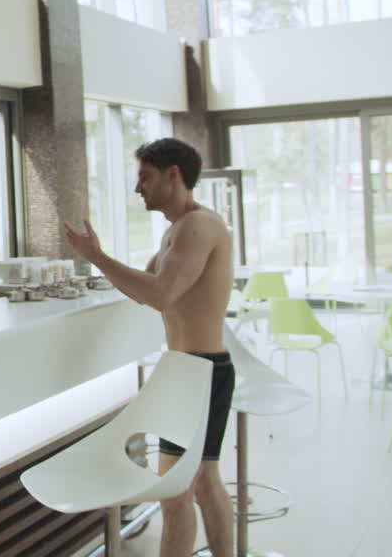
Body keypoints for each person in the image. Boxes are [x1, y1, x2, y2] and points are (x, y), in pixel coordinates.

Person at [63, 137, 235, 557]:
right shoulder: (180, 227)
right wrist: (97, 261)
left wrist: (97, 257)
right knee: (202, 482)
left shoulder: (197, 226)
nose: (138, 187)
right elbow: (146, 289)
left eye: (145, 177)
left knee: (175, 494)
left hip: (197, 372)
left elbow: (160, 294)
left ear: (173, 175)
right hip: (195, 370)